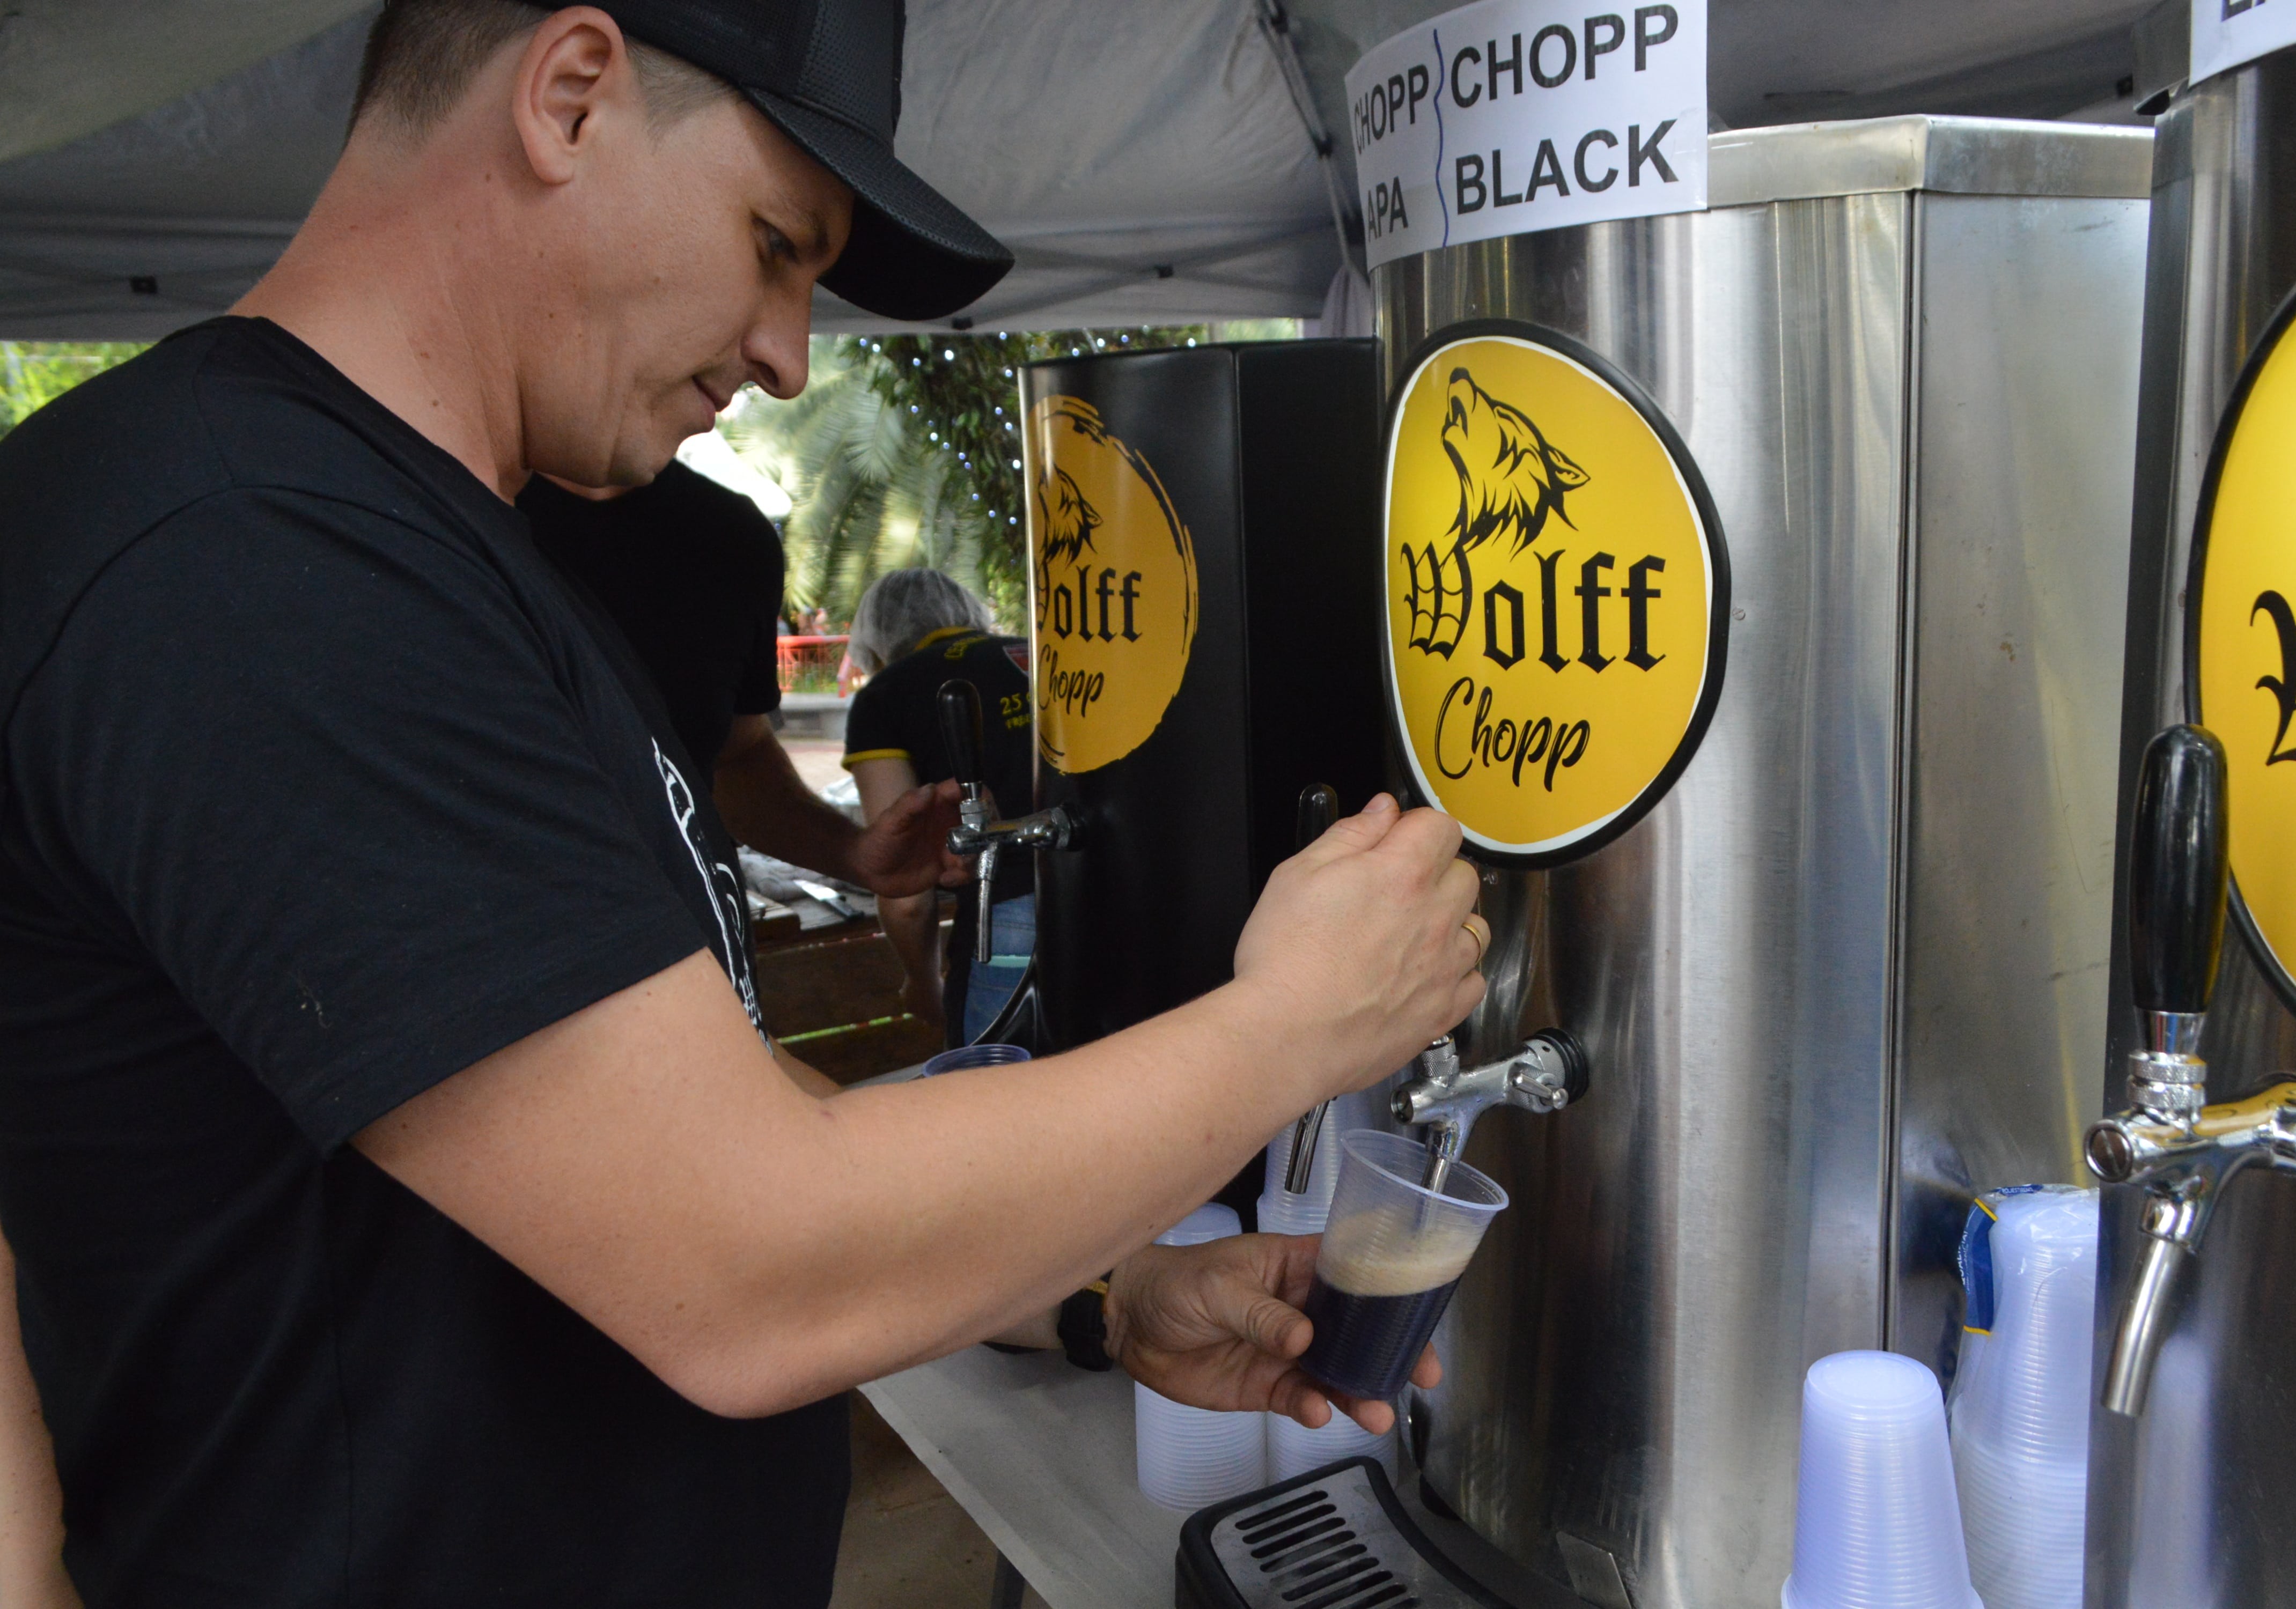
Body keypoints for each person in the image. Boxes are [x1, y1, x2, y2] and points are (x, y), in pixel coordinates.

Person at [0, 5, 1489, 1606]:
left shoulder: (437, 551)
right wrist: (1291, 1027)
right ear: (570, 97)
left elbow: (691, 1111)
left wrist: (1101, 1293)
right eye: (775, 246)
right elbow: (743, 1266)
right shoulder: (251, 560)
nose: (789, 351)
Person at [520, 462, 954, 897]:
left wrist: (853, 854)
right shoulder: (466, 526)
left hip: (695, 930)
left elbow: (736, 755)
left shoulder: (729, 536)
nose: (785, 389)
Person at [842, 567, 1033, 1042]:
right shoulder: (1042, 654)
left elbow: (905, 889)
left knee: (998, 1095)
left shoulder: (885, 698)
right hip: (1115, 901)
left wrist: (923, 982)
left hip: (1004, 926)